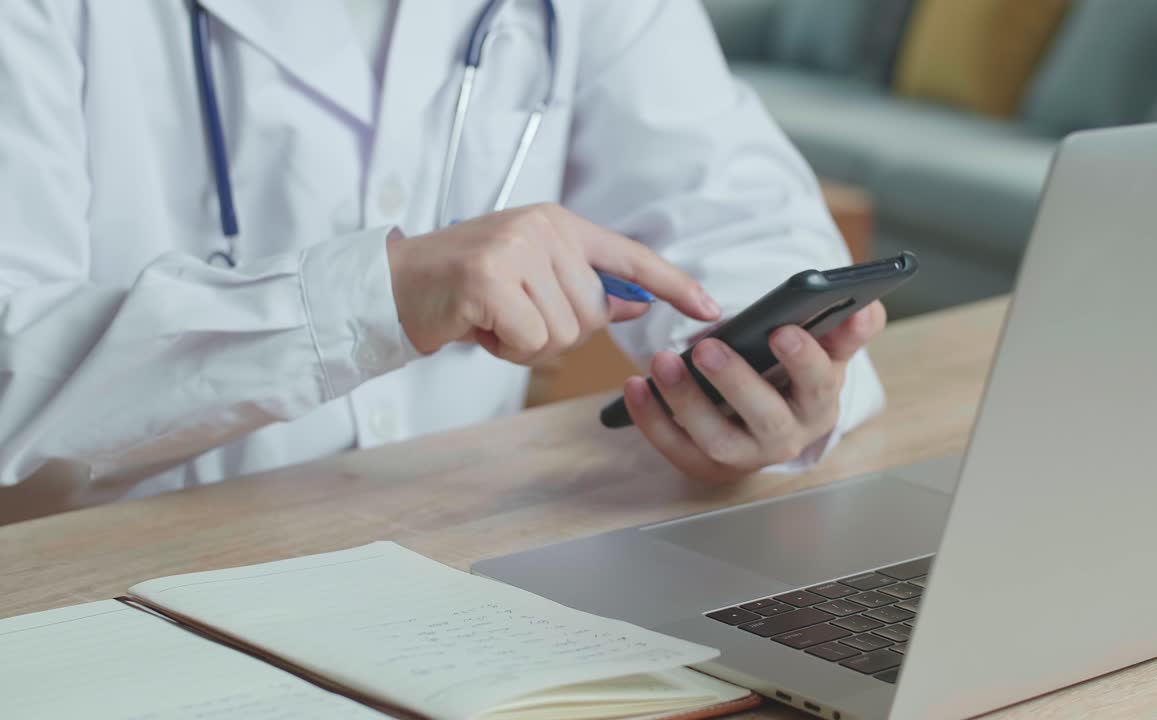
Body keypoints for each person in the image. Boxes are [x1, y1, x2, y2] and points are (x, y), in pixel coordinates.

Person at [0, 0, 887, 522]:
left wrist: (762, 392)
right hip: (100, 586)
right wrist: (377, 299)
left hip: (459, 556)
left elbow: (744, 216)